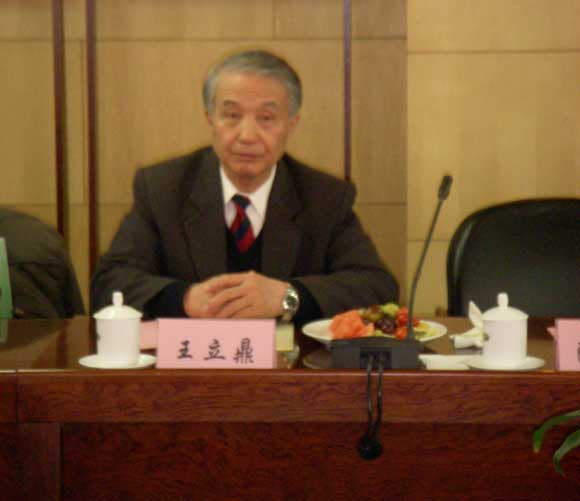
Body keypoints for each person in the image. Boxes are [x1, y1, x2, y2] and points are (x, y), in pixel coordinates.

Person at [91, 49, 398, 325]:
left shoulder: (324, 197)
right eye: (232, 116)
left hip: (290, 367)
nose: (247, 135)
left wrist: (288, 297)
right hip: (190, 366)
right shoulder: (164, 189)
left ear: (291, 124)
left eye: (266, 118)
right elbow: (110, 282)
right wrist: (184, 298)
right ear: (210, 119)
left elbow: (377, 286)